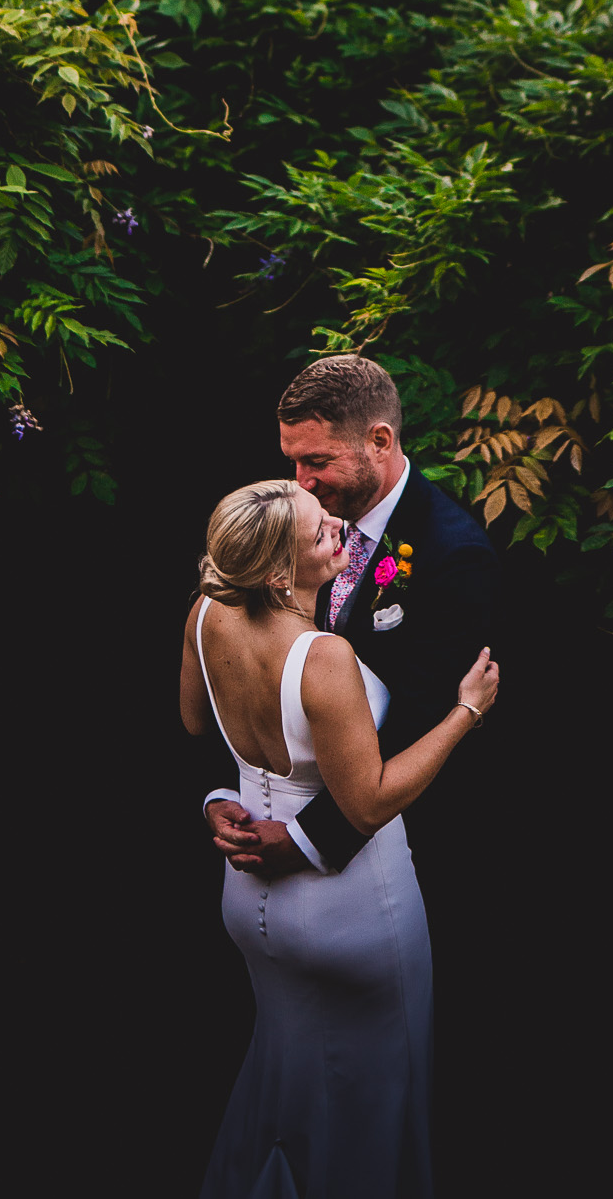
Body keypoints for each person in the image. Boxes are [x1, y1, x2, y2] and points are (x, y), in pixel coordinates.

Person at [183, 472, 498, 1197]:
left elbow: (197, 726)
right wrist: (465, 713)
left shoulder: (204, 614)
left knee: (284, 1076)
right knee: (379, 1099)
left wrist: (218, 799)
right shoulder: (320, 656)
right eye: (318, 529)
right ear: (274, 569)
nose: (335, 528)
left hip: (245, 902)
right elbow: (367, 801)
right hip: (348, 912)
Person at [206, 354, 498, 881]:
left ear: (380, 441)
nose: (301, 482)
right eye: (292, 460)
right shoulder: (289, 530)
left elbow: (419, 718)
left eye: (317, 461)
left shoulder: (453, 554)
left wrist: (304, 842)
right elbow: (236, 671)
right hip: (263, 819)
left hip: (386, 850)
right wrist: (223, 794)